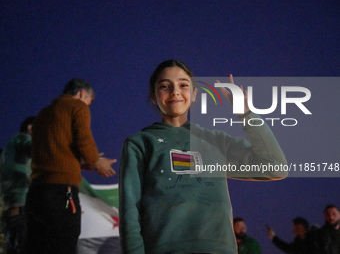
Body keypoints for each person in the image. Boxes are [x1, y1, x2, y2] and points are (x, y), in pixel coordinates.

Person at [119, 60, 288, 254]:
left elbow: (275, 166)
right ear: (153, 96)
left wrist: (246, 113)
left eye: (183, 85)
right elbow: (129, 213)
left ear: (194, 95)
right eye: (165, 86)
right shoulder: (139, 144)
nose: (175, 91)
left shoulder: (215, 141)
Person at [25, 78, 116, 254]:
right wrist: (95, 161)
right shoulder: (77, 106)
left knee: (37, 246)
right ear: (82, 93)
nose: (89, 106)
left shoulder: (42, 114)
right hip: (63, 192)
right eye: (90, 101)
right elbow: (83, 138)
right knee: (64, 241)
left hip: (36, 193)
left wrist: (81, 165)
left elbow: (50, 152)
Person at [0, 117, 35, 254]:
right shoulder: (23, 138)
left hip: (14, 208)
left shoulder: (10, 150)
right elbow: (42, 154)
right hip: (22, 208)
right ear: (30, 128)